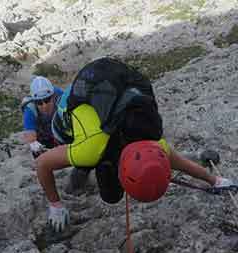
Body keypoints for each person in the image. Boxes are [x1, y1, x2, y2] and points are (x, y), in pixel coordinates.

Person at [35, 57, 235, 232]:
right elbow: (43, 163)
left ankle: (97, 165)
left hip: (108, 100)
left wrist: (215, 180)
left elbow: (178, 161)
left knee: (101, 160)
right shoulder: (89, 149)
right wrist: (56, 204)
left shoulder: (152, 142)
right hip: (69, 120)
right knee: (88, 170)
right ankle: (82, 174)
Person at [21, 76, 63, 158]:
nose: (44, 106)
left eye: (47, 100)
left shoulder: (61, 96)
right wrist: (34, 144)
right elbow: (31, 136)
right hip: (43, 135)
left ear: (53, 96)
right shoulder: (30, 110)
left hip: (60, 130)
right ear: (34, 101)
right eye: (39, 102)